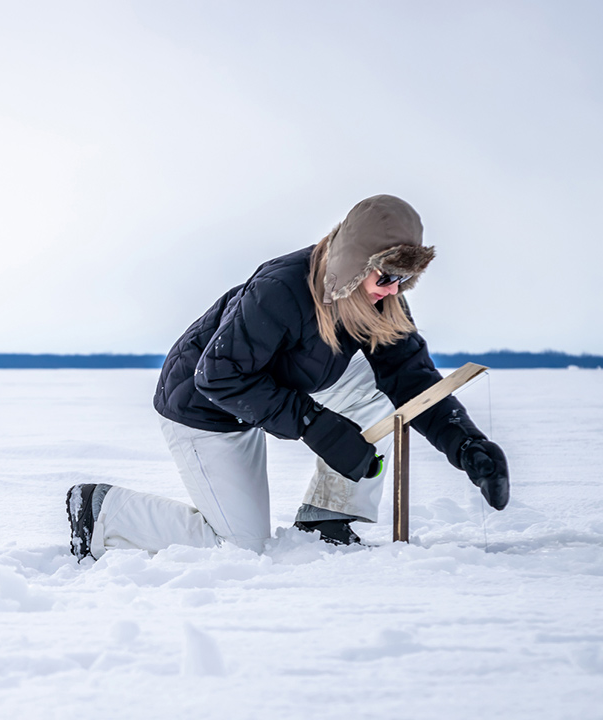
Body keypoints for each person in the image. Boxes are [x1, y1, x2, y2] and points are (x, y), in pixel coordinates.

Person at [66, 195, 509, 559]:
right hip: (205, 407)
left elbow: (411, 381)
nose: (394, 289)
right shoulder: (281, 289)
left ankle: (328, 516)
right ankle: (103, 511)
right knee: (240, 546)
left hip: (267, 390)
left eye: (406, 279)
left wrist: (465, 443)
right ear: (357, 262)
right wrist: (315, 425)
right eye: (389, 275)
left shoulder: (381, 303)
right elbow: (219, 376)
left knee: (381, 391)